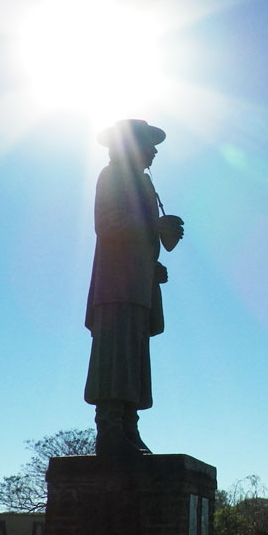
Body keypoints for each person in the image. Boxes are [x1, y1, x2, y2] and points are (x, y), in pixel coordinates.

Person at [84, 119, 184, 457]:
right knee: (115, 358)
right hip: (116, 288)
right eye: (147, 143)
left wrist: (152, 266)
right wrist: (154, 225)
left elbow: (136, 241)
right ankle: (111, 430)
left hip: (138, 287)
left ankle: (128, 426)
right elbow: (108, 224)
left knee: (134, 361)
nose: (154, 151)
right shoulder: (111, 176)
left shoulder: (143, 184)